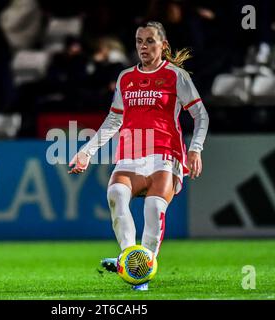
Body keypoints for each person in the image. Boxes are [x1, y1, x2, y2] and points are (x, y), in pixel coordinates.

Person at [68, 21, 209, 290]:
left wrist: (195, 148)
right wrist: (86, 153)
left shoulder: (176, 76)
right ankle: (129, 258)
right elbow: (113, 121)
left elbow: (200, 115)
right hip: (131, 153)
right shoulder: (125, 78)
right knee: (116, 195)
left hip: (165, 153)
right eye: (139, 41)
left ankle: (143, 269)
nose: (143, 47)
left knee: (154, 208)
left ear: (163, 45)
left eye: (150, 41)